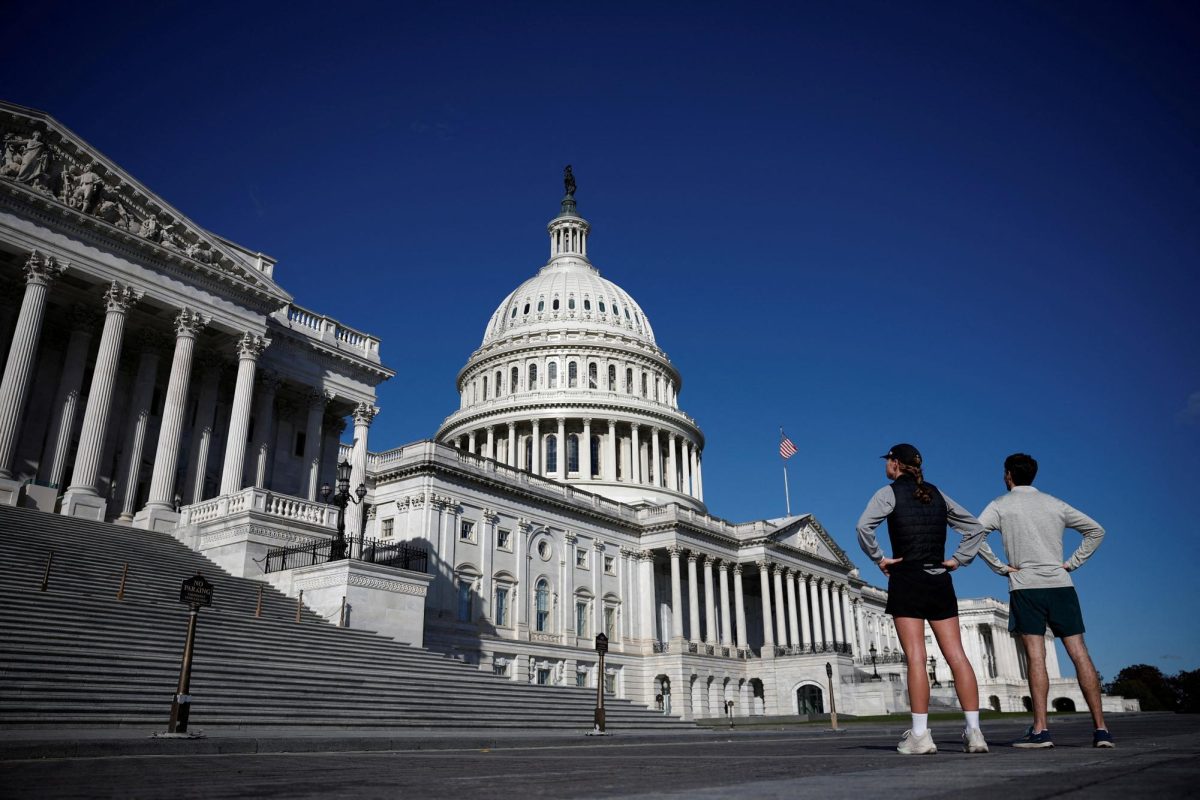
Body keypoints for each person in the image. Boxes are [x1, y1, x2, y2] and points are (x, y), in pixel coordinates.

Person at [857, 443, 989, 755]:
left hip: (908, 578)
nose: (886, 466)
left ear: (894, 463)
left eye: (888, 460)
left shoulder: (888, 493)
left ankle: (920, 735)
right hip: (940, 580)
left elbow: (864, 527)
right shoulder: (937, 493)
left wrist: (880, 559)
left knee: (916, 657)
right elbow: (976, 528)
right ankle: (974, 732)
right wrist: (958, 559)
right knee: (957, 656)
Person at [976, 453, 1114, 749]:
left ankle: (1041, 730)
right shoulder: (1054, 503)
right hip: (1061, 585)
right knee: (1079, 653)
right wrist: (1072, 563)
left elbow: (974, 535)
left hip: (1025, 587)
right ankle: (1101, 729)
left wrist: (999, 566)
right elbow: (1096, 530)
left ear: (1009, 475)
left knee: (1036, 657)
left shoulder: (1000, 505)